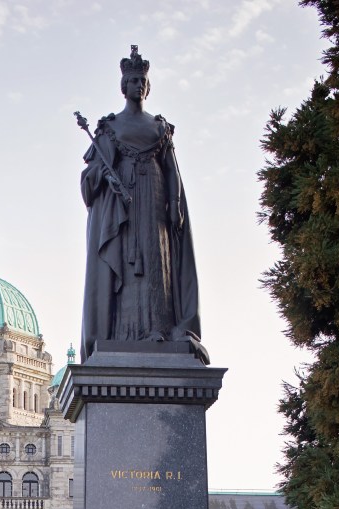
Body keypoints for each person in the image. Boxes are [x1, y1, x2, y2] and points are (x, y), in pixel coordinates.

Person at [79, 45, 204, 364]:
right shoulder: (110, 127)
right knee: (125, 265)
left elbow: (172, 170)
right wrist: (106, 177)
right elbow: (91, 176)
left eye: (142, 82)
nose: (138, 86)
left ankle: (158, 328)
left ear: (148, 87)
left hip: (154, 202)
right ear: (124, 86)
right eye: (133, 81)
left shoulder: (159, 127)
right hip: (123, 209)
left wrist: (174, 203)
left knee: (156, 264)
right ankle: (122, 333)